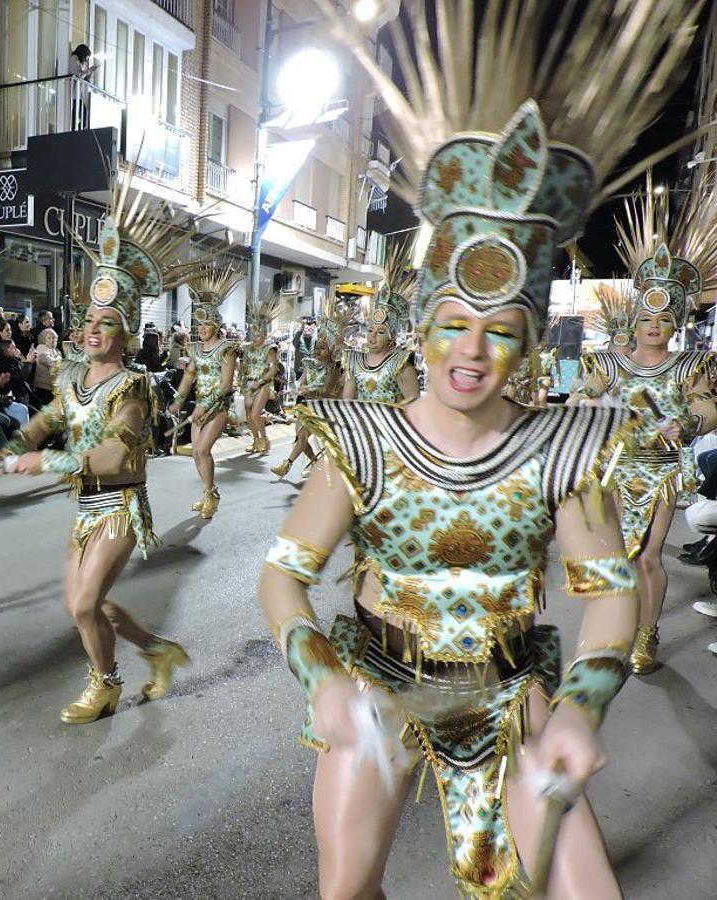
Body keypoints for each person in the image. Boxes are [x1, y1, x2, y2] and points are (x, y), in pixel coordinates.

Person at [260, 0, 697, 895]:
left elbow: (611, 600)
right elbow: (282, 575)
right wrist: (323, 679)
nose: (471, 350)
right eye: (453, 323)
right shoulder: (363, 439)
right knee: (346, 888)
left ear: (530, 342)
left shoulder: (565, 449)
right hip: (381, 687)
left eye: (500, 330)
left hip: (511, 699)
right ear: (420, 326)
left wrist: (582, 705)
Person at [3, 181, 189, 723]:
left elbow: (111, 457)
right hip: (85, 510)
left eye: (106, 322)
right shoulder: (72, 376)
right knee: (85, 606)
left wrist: (48, 461)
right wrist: (18, 442)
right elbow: (51, 418)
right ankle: (158, 649)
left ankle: (105, 685)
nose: (92, 329)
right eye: (88, 320)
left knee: (84, 605)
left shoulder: (134, 388)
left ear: (125, 333)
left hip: (119, 508)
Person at [572, 182, 717, 674]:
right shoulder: (607, 363)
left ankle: (647, 633)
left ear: (675, 323)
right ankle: (612, 628)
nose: (654, 325)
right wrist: (586, 408)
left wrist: (692, 421)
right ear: (634, 320)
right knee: (613, 556)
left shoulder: (689, 365)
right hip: (613, 469)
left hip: (658, 472)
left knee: (649, 557)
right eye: (647, 316)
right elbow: (583, 400)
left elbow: (708, 407)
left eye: (664, 318)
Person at [168, 264, 243, 518]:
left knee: (202, 450)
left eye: (206, 324)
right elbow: (189, 376)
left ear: (216, 324)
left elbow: (225, 385)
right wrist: (178, 400)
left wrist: (203, 407)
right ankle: (208, 493)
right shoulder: (197, 349)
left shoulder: (227, 349)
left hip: (217, 407)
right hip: (200, 405)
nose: (201, 329)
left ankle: (212, 495)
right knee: (195, 455)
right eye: (198, 324)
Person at [271, 303, 349, 479]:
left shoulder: (334, 368)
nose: (318, 351)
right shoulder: (309, 363)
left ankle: (287, 464)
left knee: (304, 435)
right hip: (306, 405)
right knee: (300, 439)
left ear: (330, 351)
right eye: (317, 347)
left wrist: (306, 389)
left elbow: (326, 389)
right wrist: (292, 390)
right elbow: (301, 381)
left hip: (323, 409)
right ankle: (314, 462)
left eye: (323, 348)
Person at [342, 244, 420, 404]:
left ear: (392, 338)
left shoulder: (400, 364)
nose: (372, 336)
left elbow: (414, 404)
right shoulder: (353, 361)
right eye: (370, 330)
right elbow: (347, 403)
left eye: (381, 332)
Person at [239, 295, 281, 455]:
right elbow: (244, 366)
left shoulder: (269, 349)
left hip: (262, 385)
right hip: (247, 384)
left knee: (256, 414)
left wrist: (261, 381)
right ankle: (255, 441)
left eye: (258, 335)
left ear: (264, 335)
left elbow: (273, 369)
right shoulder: (248, 348)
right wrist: (240, 371)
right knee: (249, 416)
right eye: (253, 334)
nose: (254, 338)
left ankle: (264, 441)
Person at [31, 327, 62, 408]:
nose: (52, 340)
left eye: (54, 338)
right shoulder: (41, 348)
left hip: (54, 389)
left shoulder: (57, 351)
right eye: (49, 338)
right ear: (43, 339)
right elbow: (52, 363)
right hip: (44, 389)